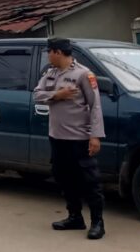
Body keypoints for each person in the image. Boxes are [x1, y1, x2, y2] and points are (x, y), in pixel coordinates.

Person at [34, 38, 106, 240]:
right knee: (63, 177)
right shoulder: (50, 73)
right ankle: (75, 217)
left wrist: (95, 136)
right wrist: (59, 94)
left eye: (49, 52)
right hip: (57, 137)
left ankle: (97, 222)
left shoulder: (83, 74)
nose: (48, 55)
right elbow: (36, 95)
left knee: (90, 180)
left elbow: (95, 106)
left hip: (79, 138)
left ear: (58, 52)